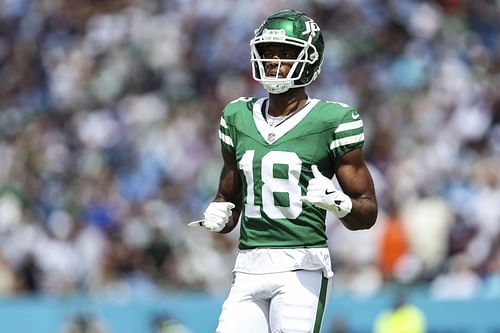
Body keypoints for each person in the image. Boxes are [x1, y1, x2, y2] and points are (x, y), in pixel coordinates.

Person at [196, 9, 378, 333]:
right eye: (268, 52)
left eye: (286, 53)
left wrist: (339, 202)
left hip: (301, 265)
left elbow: (367, 212)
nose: (274, 61)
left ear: (310, 59)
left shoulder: (331, 120)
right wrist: (221, 212)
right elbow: (229, 199)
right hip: (248, 265)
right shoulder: (237, 115)